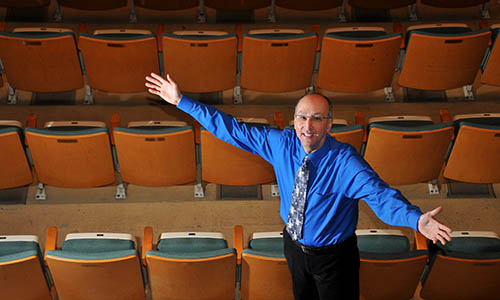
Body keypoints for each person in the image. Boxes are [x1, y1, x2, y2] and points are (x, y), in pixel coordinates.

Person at [145, 73, 453, 300]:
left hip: (334, 257)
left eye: (317, 119)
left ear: (330, 124)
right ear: (293, 120)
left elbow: (380, 195)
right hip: (293, 245)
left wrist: (416, 219)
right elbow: (232, 129)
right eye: (302, 117)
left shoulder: (345, 162)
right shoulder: (280, 143)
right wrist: (181, 102)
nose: (308, 126)